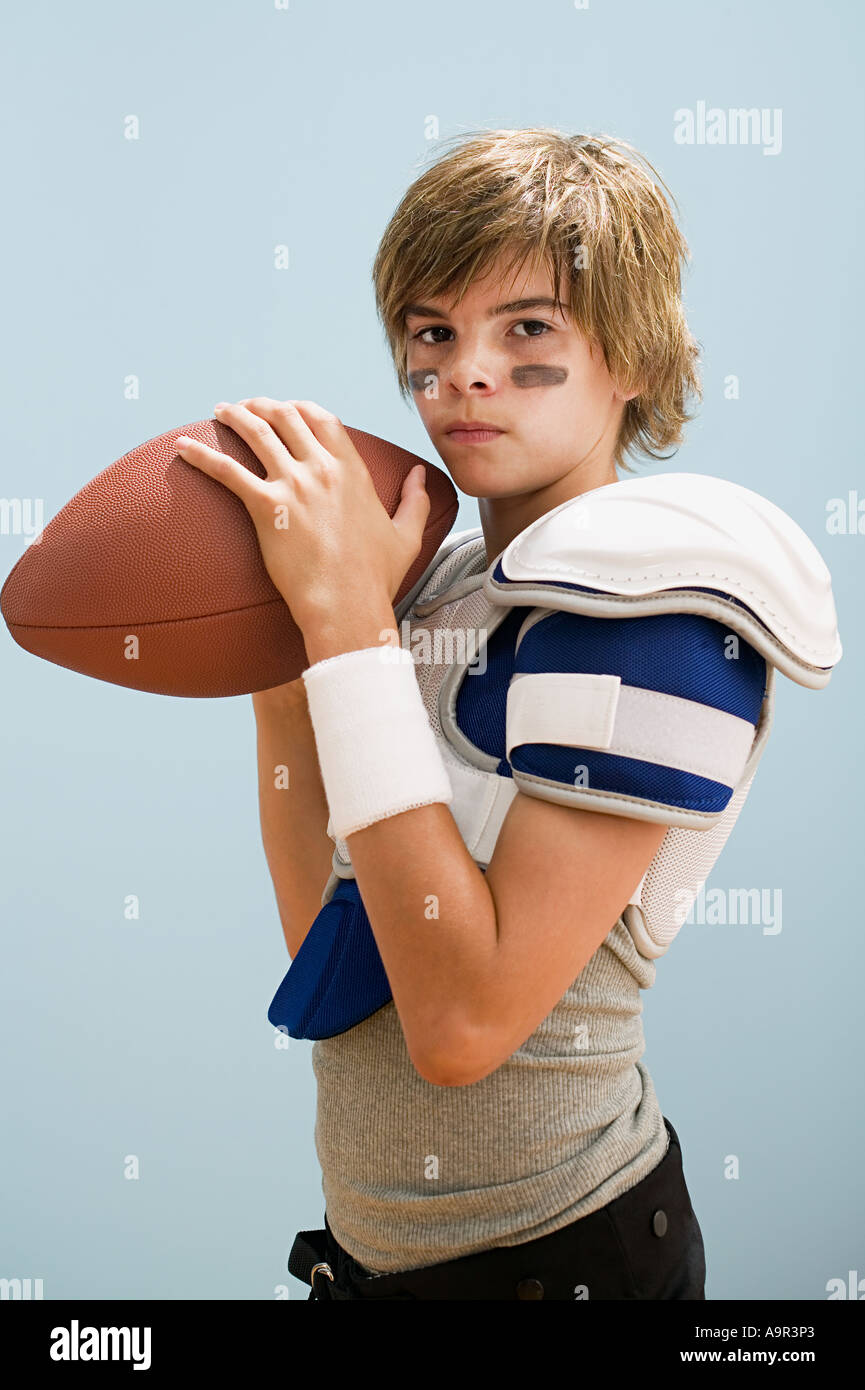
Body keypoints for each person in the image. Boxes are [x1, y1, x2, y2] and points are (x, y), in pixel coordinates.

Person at [177, 129, 841, 1300]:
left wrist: (345, 632)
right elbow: (344, 962)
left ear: (630, 352)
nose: (464, 371)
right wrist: (291, 691)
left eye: (525, 329)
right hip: (378, 1263)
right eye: (432, 331)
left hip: (560, 1262)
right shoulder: (430, 591)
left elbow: (458, 1030)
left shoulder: (666, 611)